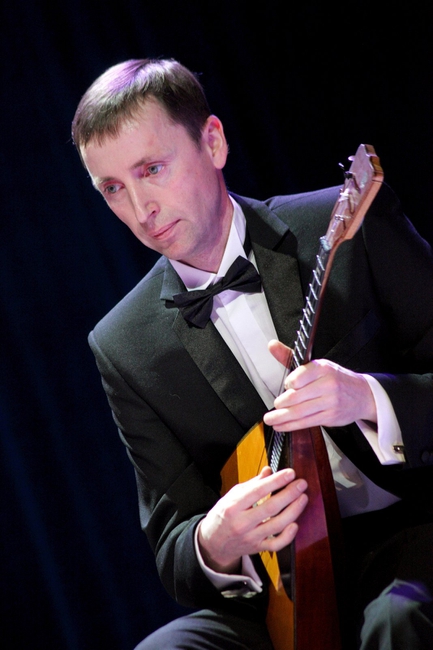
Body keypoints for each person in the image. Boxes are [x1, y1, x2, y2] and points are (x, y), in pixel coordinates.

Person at [72, 58, 433, 649]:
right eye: (113, 188)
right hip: (281, 590)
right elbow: (172, 543)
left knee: (398, 621)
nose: (140, 209)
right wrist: (215, 541)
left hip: (411, 526)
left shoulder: (340, 225)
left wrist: (367, 398)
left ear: (213, 142)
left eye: (152, 169)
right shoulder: (123, 344)